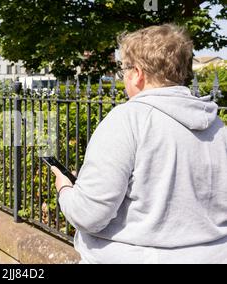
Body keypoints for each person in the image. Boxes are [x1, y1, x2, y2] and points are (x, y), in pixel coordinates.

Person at [51, 24, 227, 264]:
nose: (122, 77)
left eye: (123, 68)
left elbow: (89, 215)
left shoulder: (127, 119)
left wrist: (65, 189)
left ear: (138, 73)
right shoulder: (216, 124)